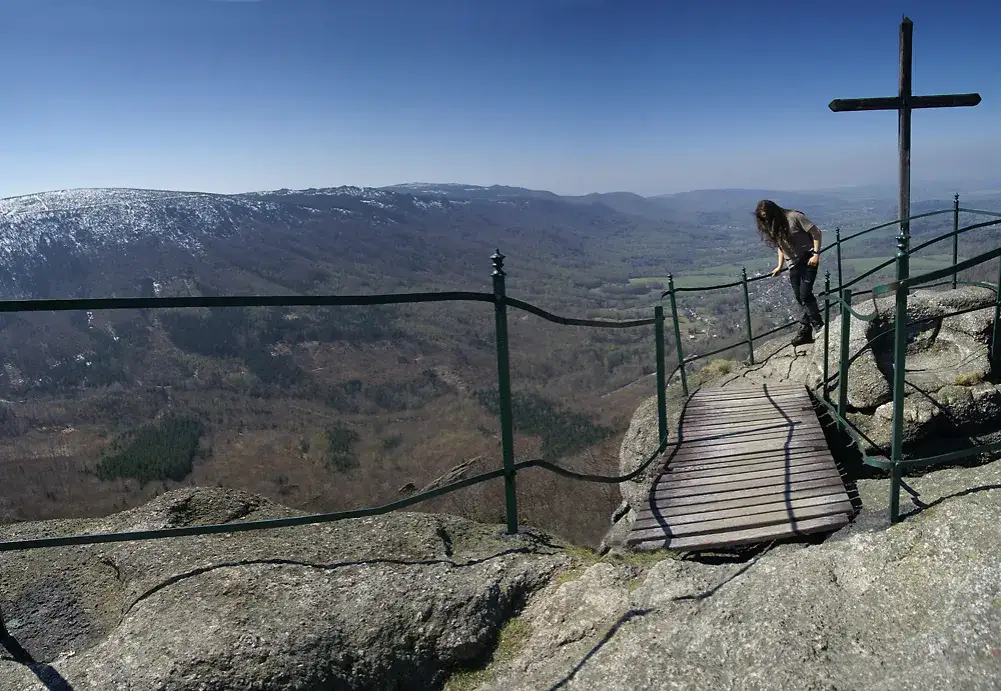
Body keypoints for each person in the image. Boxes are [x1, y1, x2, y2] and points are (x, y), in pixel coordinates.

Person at [754, 199, 824, 346]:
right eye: (763, 218)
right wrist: (779, 266)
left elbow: (816, 232)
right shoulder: (773, 225)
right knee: (799, 297)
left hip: (808, 258)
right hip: (792, 263)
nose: (766, 220)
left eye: (767, 216)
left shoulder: (795, 217)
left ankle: (818, 326)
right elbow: (781, 246)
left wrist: (816, 254)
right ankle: (806, 331)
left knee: (805, 294)